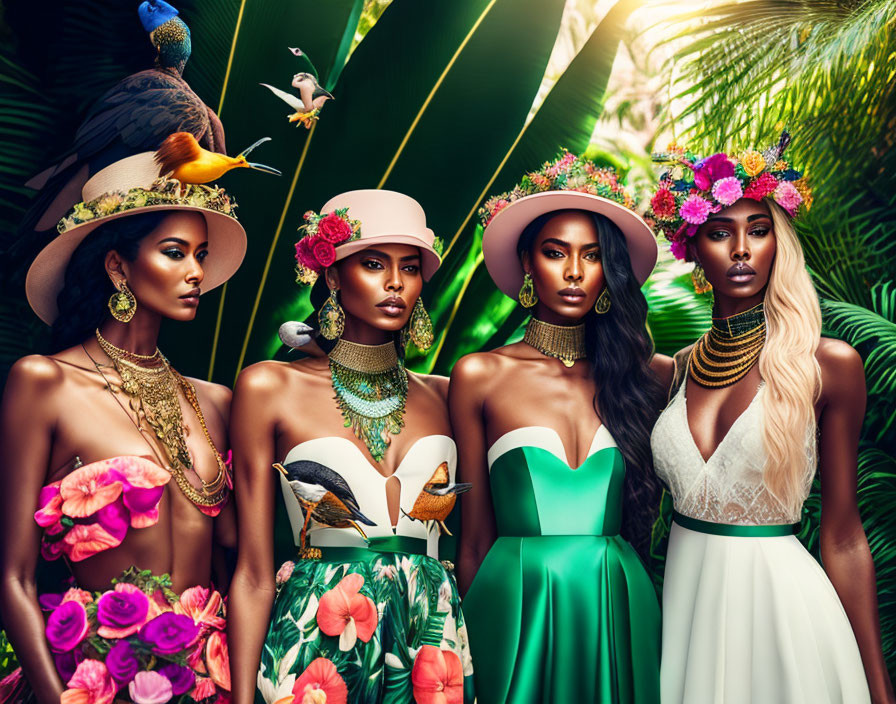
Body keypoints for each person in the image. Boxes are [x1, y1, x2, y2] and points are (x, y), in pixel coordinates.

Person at [648, 134, 894, 704]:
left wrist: (880, 689)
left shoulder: (826, 366)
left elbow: (843, 534)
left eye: (758, 231)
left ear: (777, 244)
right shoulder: (676, 371)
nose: (740, 249)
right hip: (687, 616)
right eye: (719, 233)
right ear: (695, 253)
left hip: (786, 622)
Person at [0, 150, 246, 703]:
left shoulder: (216, 403)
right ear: (118, 267)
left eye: (201, 255)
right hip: (89, 682)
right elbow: (13, 578)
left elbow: (238, 568)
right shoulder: (46, 383)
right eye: (175, 253)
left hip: (210, 686)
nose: (196, 273)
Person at [227, 190, 473, 704]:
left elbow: (470, 548)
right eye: (373, 264)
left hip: (431, 643)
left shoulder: (449, 395)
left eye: (409, 268)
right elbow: (253, 572)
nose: (394, 283)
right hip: (315, 642)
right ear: (333, 275)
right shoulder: (269, 387)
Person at [452, 152, 670, 703]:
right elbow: (473, 539)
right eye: (555, 253)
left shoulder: (643, 375)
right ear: (527, 261)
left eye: (592, 257)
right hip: (515, 599)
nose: (574, 272)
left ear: (609, 271)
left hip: (618, 598)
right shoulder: (481, 375)